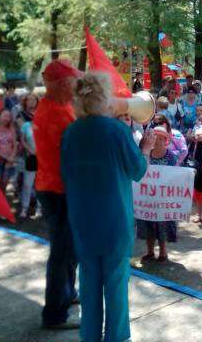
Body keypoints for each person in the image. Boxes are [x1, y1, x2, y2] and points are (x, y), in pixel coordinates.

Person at [61, 71, 149, 342]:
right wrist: (144, 149)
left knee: (88, 288)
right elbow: (137, 171)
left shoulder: (70, 132)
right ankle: (117, 338)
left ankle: (89, 337)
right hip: (115, 222)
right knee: (115, 289)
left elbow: (66, 176)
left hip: (83, 221)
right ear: (105, 98)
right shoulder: (118, 130)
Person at [33, 59, 82, 329]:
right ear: (64, 84)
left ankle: (68, 293)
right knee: (62, 253)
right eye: (74, 81)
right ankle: (54, 314)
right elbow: (75, 151)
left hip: (58, 188)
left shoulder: (58, 105)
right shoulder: (54, 114)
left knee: (69, 250)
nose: (77, 85)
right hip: (58, 191)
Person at [136, 126, 179, 262]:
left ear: (166, 140)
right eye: (156, 137)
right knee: (147, 223)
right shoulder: (145, 154)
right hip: (147, 198)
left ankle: (163, 253)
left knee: (162, 225)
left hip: (163, 199)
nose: (158, 141)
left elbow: (176, 176)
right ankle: (149, 252)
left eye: (161, 138)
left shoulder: (171, 156)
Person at [20, 117, 41, 219]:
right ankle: (25, 207)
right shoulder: (26, 125)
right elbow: (22, 140)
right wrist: (30, 150)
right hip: (31, 157)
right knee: (27, 184)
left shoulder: (45, 124)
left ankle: (39, 208)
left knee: (40, 185)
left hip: (43, 158)